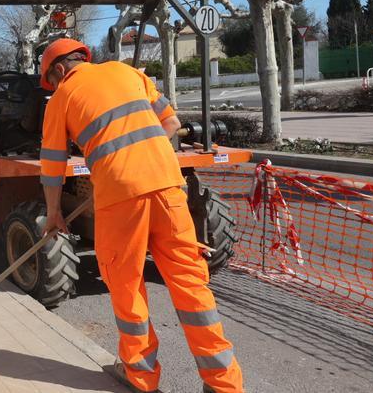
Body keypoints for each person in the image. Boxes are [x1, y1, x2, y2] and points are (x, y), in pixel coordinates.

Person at [37, 38, 243, 393]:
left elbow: (53, 166)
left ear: (58, 70)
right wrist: (145, 157)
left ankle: (142, 379)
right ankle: (224, 385)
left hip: (120, 196)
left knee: (127, 285)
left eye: (51, 81)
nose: (53, 88)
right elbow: (171, 122)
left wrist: (54, 212)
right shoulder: (128, 72)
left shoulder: (61, 99)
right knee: (190, 284)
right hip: (167, 185)